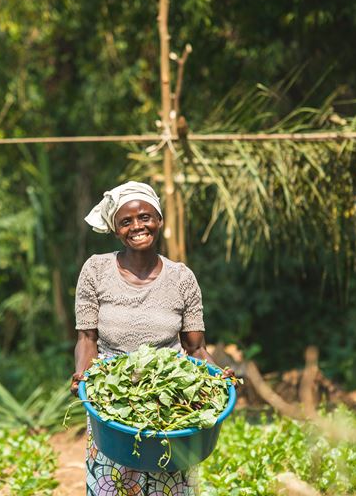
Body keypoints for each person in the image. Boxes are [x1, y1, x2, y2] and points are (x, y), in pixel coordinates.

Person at [70, 181, 230, 496]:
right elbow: (87, 338)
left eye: (145, 217)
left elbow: (195, 348)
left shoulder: (182, 278)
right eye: (126, 221)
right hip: (112, 397)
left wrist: (220, 378)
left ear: (158, 220)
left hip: (169, 394)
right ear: (116, 230)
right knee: (112, 484)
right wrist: (84, 374)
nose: (137, 227)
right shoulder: (96, 270)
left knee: (169, 484)